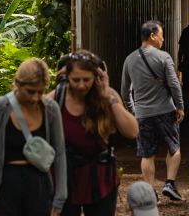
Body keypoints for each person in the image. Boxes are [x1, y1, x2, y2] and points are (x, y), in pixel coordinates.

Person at [51, 50, 139, 216]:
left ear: (97, 77)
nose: (81, 85)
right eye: (76, 80)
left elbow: (132, 131)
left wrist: (108, 98)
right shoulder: (57, 98)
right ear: (66, 77)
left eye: (87, 80)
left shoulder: (107, 96)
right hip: (64, 176)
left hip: (100, 176)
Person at [0, 58, 67, 216]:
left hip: (39, 187)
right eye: (30, 91)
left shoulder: (50, 109)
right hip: (5, 186)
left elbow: (60, 153)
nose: (35, 98)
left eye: (40, 92)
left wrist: (60, 197)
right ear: (18, 84)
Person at [121, 20, 185, 201]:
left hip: (142, 114)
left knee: (147, 154)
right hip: (165, 110)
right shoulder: (164, 57)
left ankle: (150, 193)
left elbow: (125, 91)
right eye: (161, 35)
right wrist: (180, 106)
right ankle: (170, 183)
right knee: (174, 147)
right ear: (152, 36)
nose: (163, 39)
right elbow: (174, 84)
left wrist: (134, 111)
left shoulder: (129, 59)